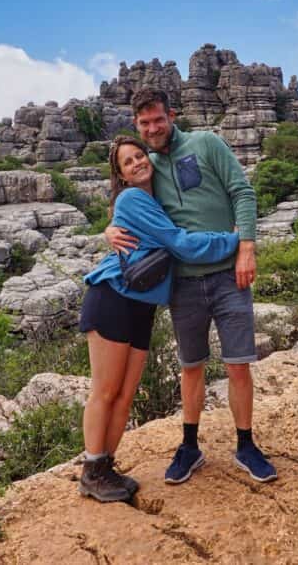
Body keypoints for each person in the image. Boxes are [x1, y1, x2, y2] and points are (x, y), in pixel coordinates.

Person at [106, 88, 277, 486]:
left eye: (158, 120)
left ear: (172, 115)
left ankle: (246, 444)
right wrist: (109, 230)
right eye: (144, 123)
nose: (152, 128)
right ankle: (189, 445)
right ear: (137, 125)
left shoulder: (206, 143)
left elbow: (243, 192)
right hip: (182, 282)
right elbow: (128, 205)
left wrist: (247, 247)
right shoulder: (145, 166)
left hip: (228, 275)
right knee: (191, 366)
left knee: (237, 365)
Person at [78, 135, 240, 503]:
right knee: (105, 391)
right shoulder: (133, 198)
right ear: (120, 174)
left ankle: (105, 467)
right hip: (112, 298)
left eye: (140, 155)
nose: (137, 162)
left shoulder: (156, 199)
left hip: (141, 306)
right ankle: (90, 471)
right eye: (127, 162)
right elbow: (179, 243)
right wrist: (233, 240)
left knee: (125, 394)